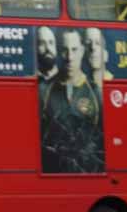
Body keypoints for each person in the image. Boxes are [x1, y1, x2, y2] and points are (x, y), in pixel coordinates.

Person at [41, 28, 104, 173]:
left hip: (87, 177)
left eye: (74, 50)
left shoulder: (96, 93)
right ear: (58, 51)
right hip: (51, 178)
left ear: (82, 51)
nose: (69, 57)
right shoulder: (44, 91)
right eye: (64, 50)